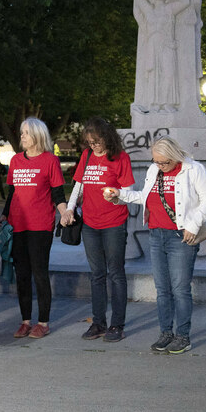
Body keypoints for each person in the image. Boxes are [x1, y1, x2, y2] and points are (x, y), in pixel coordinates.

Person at [105, 136, 206, 353]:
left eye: (164, 163)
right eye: (157, 162)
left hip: (181, 236)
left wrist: (193, 224)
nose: (161, 166)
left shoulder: (193, 169)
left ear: (174, 156)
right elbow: (145, 197)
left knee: (180, 289)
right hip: (156, 234)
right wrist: (119, 195)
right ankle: (166, 332)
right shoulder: (154, 171)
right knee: (162, 289)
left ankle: (183, 336)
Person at [64, 117, 135, 342]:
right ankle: (98, 323)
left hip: (114, 222)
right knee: (97, 275)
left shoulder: (120, 158)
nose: (94, 146)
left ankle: (117, 324)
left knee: (115, 273)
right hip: (90, 224)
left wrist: (116, 196)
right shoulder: (86, 156)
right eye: (90, 142)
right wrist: (70, 208)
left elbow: (128, 192)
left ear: (107, 137)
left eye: (97, 142)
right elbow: (78, 185)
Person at [0, 118, 67, 339]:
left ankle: (43, 322)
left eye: (26, 133)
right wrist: (2, 216)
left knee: (39, 273)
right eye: (21, 133)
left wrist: (65, 212)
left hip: (40, 226)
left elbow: (58, 194)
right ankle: (25, 321)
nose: (22, 137)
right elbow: (12, 193)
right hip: (18, 225)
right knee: (22, 275)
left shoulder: (50, 161)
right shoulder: (16, 160)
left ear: (38, 135)